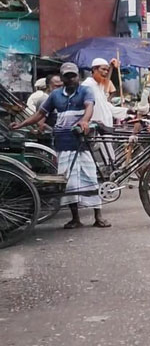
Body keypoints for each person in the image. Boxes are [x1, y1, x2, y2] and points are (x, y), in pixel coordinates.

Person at [12, 62, 110, 228]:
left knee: (90, 177)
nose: (70, 79)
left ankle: (98, 216)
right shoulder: (55, 95)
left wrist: (84, 121)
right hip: (63, 143)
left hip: (81, 142)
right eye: (67, 76)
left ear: (78, 76)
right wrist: (20, 125)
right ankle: (75, 218)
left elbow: (89, 107)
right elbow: (40, 115)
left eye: (73, 75)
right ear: (62, 78)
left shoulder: (85, 91)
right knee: (68, 182)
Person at [82, 58, 115, 129]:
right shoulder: (87, 85)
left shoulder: (100, 86)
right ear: (94, 69)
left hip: (106, 125)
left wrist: (126, 111)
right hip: (95, 126)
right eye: (103, 69)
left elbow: (107, 106)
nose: (106, 72)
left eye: (107, 70)